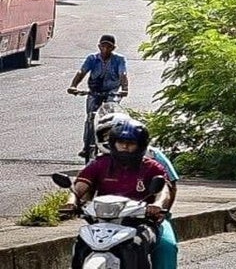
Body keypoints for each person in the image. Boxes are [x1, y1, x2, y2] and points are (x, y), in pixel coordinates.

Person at [66, 120, 175, 267]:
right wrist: (71, 201)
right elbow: (79, 187)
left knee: (157, 246)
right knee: (81, 244)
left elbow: (164, 191)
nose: (124, 147)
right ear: (112, 143)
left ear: (141, 146)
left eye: (131, 144)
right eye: (120, 142)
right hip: (102, 222)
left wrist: (157, 205)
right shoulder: (100, 164)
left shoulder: (152, 167)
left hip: (142, 221)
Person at [68, 35, 129, 159]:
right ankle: (86, 146)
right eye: (103, 46)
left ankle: (111, 145)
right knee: (91, 117)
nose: (105, 49)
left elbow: (122, 74)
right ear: (99, 46)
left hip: (112, 91)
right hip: (94, 91)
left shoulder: (119, 59)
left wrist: (124, 89)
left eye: (109, 46)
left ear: (113, 48)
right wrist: (73, 85)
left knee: (111, 118)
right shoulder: (92, 58)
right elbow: (82, 72)